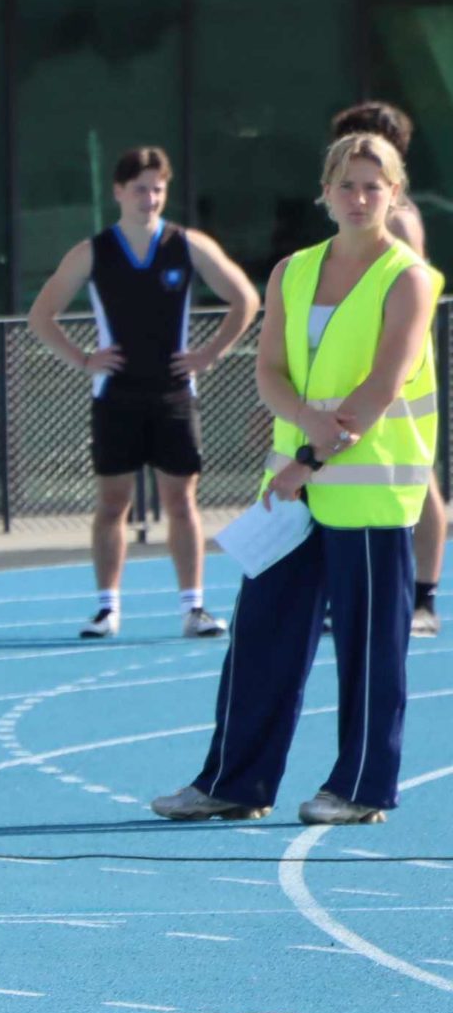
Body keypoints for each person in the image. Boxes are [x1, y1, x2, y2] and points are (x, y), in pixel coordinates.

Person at [152, 133, 440, 828]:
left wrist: (311, 455)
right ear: (325, 192)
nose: (360, 196)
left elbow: (380, 386)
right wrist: (303, 450)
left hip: (367, 496)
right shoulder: (293, 272)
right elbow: (270, 373)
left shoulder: (408, 278)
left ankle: (362, 787)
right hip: (295, 493)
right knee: (261, 638)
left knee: (371, 652)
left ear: (394, 193)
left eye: (374, 184)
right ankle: (235, 779)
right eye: (347, 183)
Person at [26, 146, 259, 639]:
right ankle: (107, 608)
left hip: (174, 393)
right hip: (116, 395)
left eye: (157, 189)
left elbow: (245, 298)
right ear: (118, 192)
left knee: (182, 502)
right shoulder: (93, 251)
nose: (149, 198)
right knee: (113, 503)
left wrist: (210, 353)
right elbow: (41, 316)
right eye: (139, 189)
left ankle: (193, 607)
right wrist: (83, 358)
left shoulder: (187, 245)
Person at [330, 100, 443, 639]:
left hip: (396, 370)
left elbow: (403, 286)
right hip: (363, 362)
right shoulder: (357, 212)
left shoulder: (397, 216)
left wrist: (387, 367)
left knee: (419, 484)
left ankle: (423, 596)